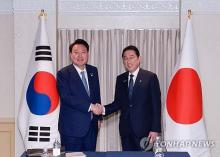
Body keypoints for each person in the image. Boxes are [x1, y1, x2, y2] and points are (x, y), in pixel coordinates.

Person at [103, 45, 161, 151]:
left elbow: (156, 106)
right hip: (126, 132)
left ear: (139, 59)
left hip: (145, 132)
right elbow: (118, 103)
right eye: (125, 58)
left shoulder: (150, 77)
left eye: (131, 57)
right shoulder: (121, 79)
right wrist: (102, 110)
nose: (128, 61)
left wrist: (155, 129)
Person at [57, 39, 102, 151]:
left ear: (88, 54)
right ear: (71, 55)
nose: (80, 56)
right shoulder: (63, 73)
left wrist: (98, 117)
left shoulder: (93, 71)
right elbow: (66, 98)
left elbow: (96, 95)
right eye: (76, 52)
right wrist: (91, 107)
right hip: (71, 129)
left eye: (83, 52)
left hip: (91, 128)